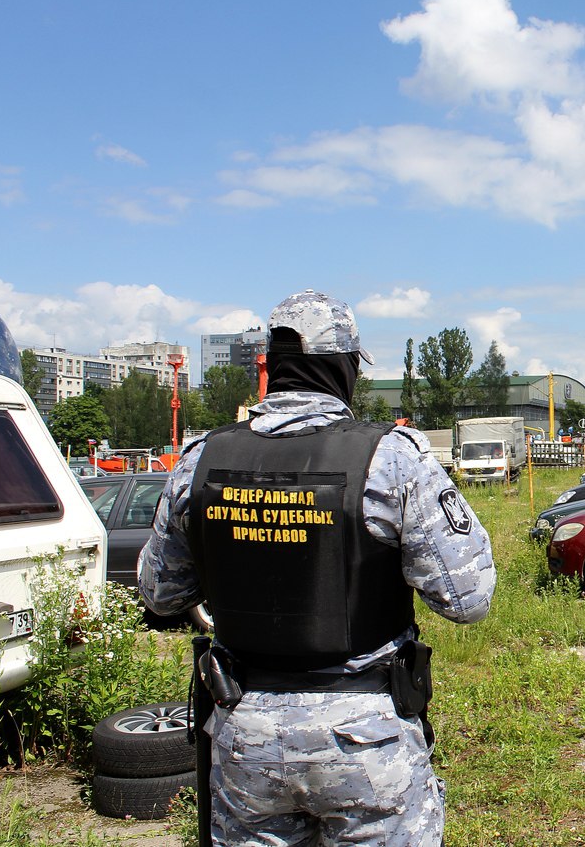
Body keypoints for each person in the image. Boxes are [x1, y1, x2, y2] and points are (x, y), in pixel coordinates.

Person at [138, 289, 495, 846]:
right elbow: (468, 600)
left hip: (246, 739)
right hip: (365, 738)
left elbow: (160, 592)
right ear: (344, 368)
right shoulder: (392, 457)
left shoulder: (199, 459)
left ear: (274, 367)